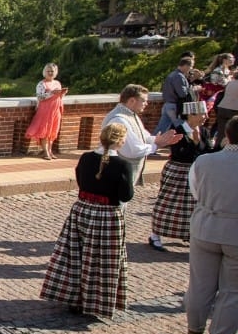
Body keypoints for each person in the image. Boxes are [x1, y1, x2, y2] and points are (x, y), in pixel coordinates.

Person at [39, 123, 135, 319]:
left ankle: (74, 297)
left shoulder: (85, 157)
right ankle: (96, 302)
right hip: (107, 216)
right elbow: (126, 195)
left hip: (82, 210)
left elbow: (81, 181)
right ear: (120, 141)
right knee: (101, 262)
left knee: (76, 256)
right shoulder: (122, 165)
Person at [184, 115, 238, 334]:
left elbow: (196, 190)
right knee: (232, 291)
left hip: (205, 225)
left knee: (200, 284)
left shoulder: (204, 161)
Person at [149, 101, 215, 251]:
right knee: (167, 203)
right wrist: (196, 143)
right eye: (202, 114)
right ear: (190, 115)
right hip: (178, 170)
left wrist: (202, 144)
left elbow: (208, 152)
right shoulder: (177, 130)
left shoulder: (204, 131)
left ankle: (188, 233)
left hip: (195, 172)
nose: (205, 117)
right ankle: (155, 235)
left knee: (192, 206)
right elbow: (181, 153)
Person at [102, 84, 183, 184]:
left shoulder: (131, 115)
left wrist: (158, 140)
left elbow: (143, 136)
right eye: (143, 100)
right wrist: (156, 146)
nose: (147, 104)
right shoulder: (120, 119)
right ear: (132, 101)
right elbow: (133, 150)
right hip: (116, 174)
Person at [26, 63, 67, 161]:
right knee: (45, 130)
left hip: (55, 109)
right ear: (45, 72)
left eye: (52, 71)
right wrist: (51, 93)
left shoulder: (57, 83)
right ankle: (46, 152)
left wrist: (62, 93)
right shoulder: (41, 84)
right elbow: (40, 97)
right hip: (45, 110)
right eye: (48, 71)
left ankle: (50, 150)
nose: (50, 73)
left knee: (53, 131)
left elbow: (59, 97)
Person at [156, 57, 197, 134]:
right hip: (174, 106)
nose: (191, 69)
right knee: (182, 126)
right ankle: (189, 141)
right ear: (185, 66)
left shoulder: (172, 75)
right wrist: (193, 89)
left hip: (167, 104)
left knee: (162, 127)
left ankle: (152, 141)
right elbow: (182, 93)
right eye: (191, 66)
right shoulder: (179, 76)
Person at [216, 76, 238, 146]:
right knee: (234, 134)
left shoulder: (230, 82)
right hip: (234, 110)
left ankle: (217, 149)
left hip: (222, 108)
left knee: (221, 133)